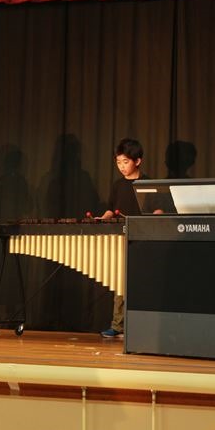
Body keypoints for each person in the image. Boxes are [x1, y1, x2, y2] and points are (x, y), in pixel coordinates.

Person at [98, 138, 148, 339]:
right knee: (119, 282)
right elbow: (111, 209)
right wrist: (104, 217)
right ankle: (117, 325)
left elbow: (156, 210)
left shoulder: (147, 184)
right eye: (118, 162)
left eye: (125, 162)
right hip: (120, 238)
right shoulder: (118, 185)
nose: (121, 166)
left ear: (137, 161)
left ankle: (140, 326)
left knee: (139, 284)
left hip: (141, 239)